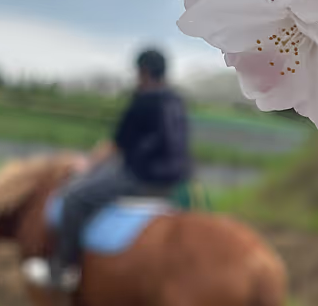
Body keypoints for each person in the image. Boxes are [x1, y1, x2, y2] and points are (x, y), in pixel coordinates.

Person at [23, 48, 192, 291]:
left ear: (143, 72)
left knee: (74, 197)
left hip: (142, 176)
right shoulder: (176, 101)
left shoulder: (144, 100)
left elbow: (115, 146)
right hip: (174, 179)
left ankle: (63, 268)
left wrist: (86, 165)